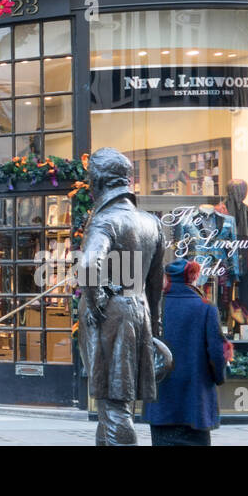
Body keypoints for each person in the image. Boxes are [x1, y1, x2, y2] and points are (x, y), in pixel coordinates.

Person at [77, 147, 166, 446]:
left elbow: (89, 265)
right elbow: (156, 285)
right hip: (138, 310)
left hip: (111, 315)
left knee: (115, 405)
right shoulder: (151, 223)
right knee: (112, 402)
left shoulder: (106, 221)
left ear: (99, 182)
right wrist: (155, 325)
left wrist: (96, 301)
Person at [145, 259, 228, 446]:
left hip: (162, 394)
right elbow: (216, 352)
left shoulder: (154, 307)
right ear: (194, 278)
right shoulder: (205, 307)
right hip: (195, 396)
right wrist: (218, 377)